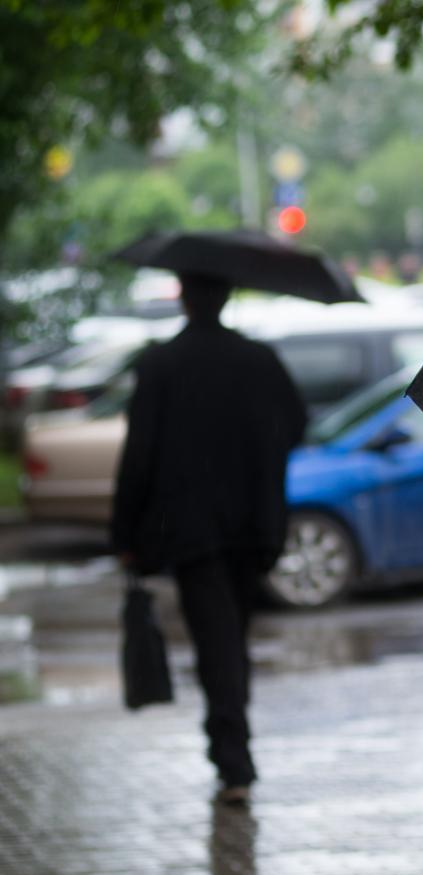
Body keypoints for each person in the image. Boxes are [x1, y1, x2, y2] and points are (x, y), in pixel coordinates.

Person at [111, 272, 308, 806]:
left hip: (191, 527)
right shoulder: (259, 361)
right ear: (225, 297)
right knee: (232, 633)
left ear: (184, 297)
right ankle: (233, 751)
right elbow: (296, 426)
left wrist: (125, 532)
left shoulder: (161, 365)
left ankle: (233, 760)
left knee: (216, 639)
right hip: (254, 521)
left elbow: (139, 456)